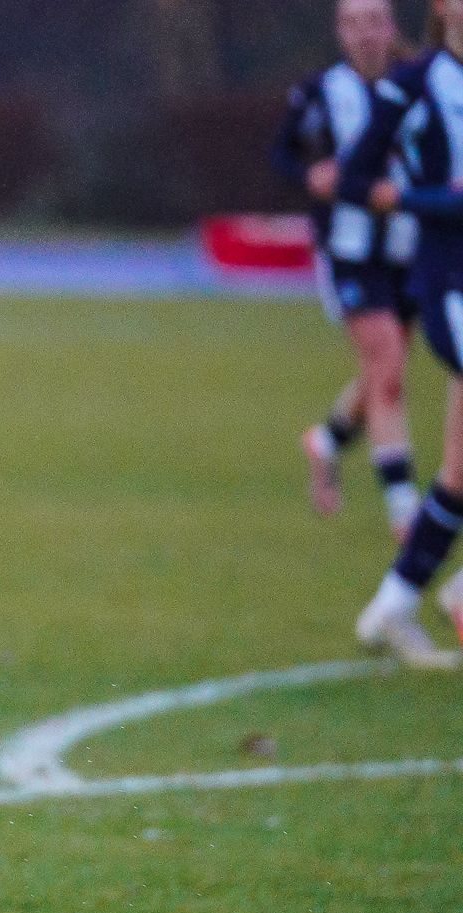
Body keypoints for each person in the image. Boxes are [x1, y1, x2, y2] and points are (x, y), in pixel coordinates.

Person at [341, 0, 463, 666]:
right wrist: (429, 199)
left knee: (458, 474)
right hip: (450, 290)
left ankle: (392, 604)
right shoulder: (413, 84)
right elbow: (355, 178)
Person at [273, 0, 420, 537]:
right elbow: (281, 155)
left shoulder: (417, 83)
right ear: (339, 30)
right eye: (353, 23)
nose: (364, 34)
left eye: (374, 21)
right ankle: (405, 510)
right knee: (388, 365)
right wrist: (312, 174)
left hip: (409, 247)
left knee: (387, 368)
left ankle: (328, 441)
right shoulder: (320, 91)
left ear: (391, 25)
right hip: (348, 251)